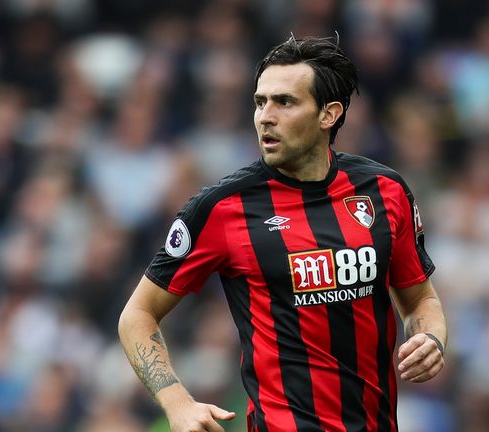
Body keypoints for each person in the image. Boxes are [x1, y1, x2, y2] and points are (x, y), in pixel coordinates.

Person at [118, 35, 447, 432]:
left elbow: (420, 300)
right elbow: (137, 314)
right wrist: (177, 403)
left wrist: (431, 340)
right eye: (260, 102)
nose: (265, 116)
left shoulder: (384, 191)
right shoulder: (221, 207)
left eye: (284, 102)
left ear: (329, 114)